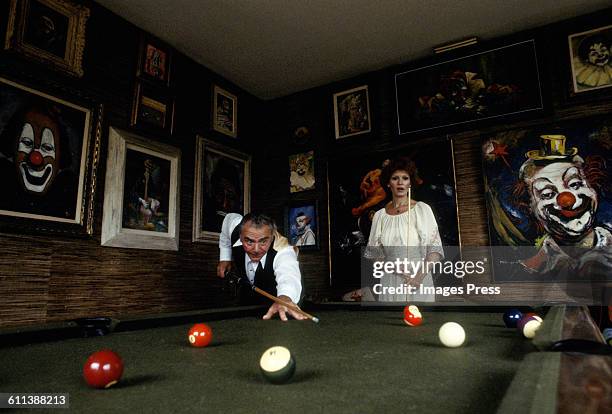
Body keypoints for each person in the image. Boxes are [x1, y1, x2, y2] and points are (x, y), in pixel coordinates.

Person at [363, 156, 444, 302]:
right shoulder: (379, 216)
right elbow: (375, 254)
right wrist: (391, 266)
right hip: (390, 280)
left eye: (405, 178)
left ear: (410, 183)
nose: (400, 182)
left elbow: (435, 250)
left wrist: (418, 278)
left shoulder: (422, 209)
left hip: (418, 280)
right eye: (395, 178)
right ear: (388, 183)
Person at [216, 212, 306, 321]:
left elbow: (288, 275)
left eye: (263, 241)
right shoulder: (235, 228)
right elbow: (228, 218)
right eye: (249, 241)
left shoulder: (283, 250)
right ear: (240, 236)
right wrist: (225, 257)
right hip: (247, 299)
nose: (256, 249)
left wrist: (285, 297)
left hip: (277, 305)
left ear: (272, 237)